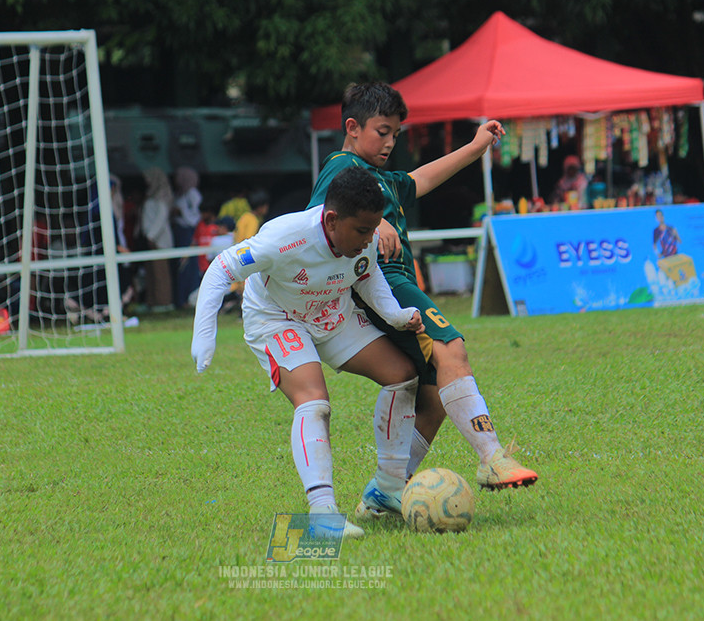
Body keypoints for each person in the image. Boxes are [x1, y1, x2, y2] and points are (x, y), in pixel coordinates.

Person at [307, 82, 538, 522]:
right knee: (452, 347)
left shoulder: (383, 179)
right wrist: (373, 231)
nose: (391, 142)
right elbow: (321, 220)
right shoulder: (341, 169)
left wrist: (475, 147)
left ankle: (386, 492)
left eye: (396, 133)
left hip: (394, 285)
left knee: (430, 393)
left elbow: (422, 178)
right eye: (382, 131)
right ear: (352, 128)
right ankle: (492, 457)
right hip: (382, 284)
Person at [191, 167, 425, 539]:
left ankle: (390, 485)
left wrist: (396, 316)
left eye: (373, 229)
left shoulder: (361, 240)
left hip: (331, 310)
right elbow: (221, 268)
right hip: (276, 318)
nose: (370, 240)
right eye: (363, 231)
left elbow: (366, 275)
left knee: (402, 376)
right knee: (314, 401)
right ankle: (322, 516)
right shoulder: (284, 238)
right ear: (331, 220)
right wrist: (205, 333)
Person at [141, 167, 175, 312]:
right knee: (152, 273)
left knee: (161, 273)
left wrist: (151, 236)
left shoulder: (161, 198)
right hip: (151, 241)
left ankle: (163, 302)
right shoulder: (151, 197)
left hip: (159, 242)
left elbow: (160, 219)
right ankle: (153, 301)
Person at [172, 165, 203, 308]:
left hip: (188, 232)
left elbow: (194, 215)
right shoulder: (181, 193)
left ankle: (189, 298)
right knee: (182, 266)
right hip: (181, 232)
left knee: (189, 265)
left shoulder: (192, 193)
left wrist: (180, 212)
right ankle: (182, 299)